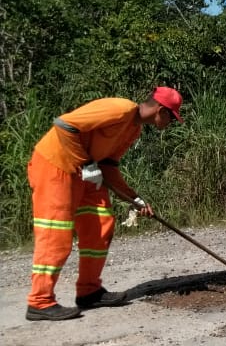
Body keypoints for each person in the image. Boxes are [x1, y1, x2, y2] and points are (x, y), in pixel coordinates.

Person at [25, 87, 183, 321]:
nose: (171, 123)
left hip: (86, 172)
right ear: (161, 110)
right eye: (172, 117)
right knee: (56, 234)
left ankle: (90, 292)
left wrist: (134, 198)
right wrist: (87, 164)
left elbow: (108, 167)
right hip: (56, 165)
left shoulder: (133, 130)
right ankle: (40, 301)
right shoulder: (119, 109)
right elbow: (64, 125)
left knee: (101, 225)